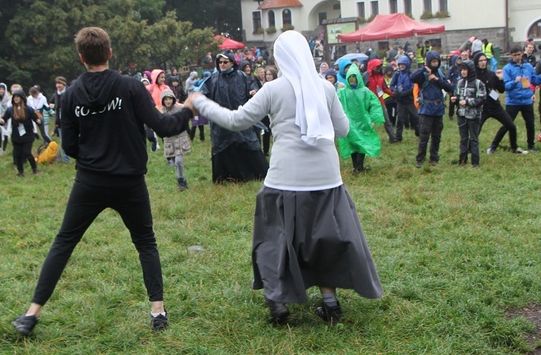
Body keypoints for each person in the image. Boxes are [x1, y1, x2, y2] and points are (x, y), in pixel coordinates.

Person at [188, 30, 382, 325]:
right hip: (326, 180)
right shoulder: (325, 88)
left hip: (284, 180)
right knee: (324, 240)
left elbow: (236, 120)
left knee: (273, 239)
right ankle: (330, 303)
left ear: (280, 58)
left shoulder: (273, 89)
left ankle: (277, 300)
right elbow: (342, 131)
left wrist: (200, 102)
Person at [12, 27, 193, 336]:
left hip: (90, 182)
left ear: (81, 57)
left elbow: (68, 146)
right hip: (129, 182)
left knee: (64, 242)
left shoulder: (69, 95)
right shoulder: (130, 87)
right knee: (146, 243)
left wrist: (94, 155)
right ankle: (157, 311)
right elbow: (163, 126)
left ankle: (31, 313)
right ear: (110, 53)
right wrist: (189, 108)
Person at [199, 50, 268, 183]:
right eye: (220, 62)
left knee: (247, 144)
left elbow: (255, 92)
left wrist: (254, 93)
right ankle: (225, 178)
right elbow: (203, 95)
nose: (222, 64)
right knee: (223, 145)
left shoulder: (243, 77)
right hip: (221, 121)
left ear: (232, 63)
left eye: (225, 62)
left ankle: (254, 174)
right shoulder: (213, 79)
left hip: (241, 117)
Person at [474, 52, 528, 155]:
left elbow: (501, 90)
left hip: (495, 106)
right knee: (476, 131)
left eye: (485, 60)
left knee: (511, 126)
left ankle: (514, 147)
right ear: (476, 62)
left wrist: (500, 79)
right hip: (481, 108)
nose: (483, 62)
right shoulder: (474, 76)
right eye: (480, 61)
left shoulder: (491, 74)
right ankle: (469, 151)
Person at [493, 46, 541, 152]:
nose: (517, 57)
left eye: (519, 54)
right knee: (507, 124)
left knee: (530, 124)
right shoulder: (507, 68)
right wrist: (515, 81)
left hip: (527, 100)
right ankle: (494, 145)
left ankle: (531, 145)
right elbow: (505, 86)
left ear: (522, 54)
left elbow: (534, 80)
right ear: (511, 55)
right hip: (513, 101)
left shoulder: (528, 66)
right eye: (515, 55)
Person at [337, 62, 384, 172]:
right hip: (349, 122)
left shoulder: (365, 92)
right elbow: (335, 105)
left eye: (354, 77)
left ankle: (359, 167)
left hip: (363, 122)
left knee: (362, 143)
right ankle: (356, 167)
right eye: (350, 77)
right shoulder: (342, 93)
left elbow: (375, 105)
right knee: (353, 144)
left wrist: (373, 119)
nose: (352, 79)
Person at [410, 51, 453, 167]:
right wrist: (424, 69)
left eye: (437, 62)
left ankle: (434, 158)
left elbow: (449, 87)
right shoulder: (422, 74)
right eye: (433, 62)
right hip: (426, 109)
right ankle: (420, 159)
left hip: (438, 109)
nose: (435, 64)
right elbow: (412, 77)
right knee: (424, 135)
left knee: (436, 136)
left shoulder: (440, 73)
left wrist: (436, 79)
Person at [0, 90, 41, 177]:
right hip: (16, 136)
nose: (16, 98)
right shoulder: (10, 109)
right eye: (15, 97)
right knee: (17, 154)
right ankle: (20, 172)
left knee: (27, 152)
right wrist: (0, 120)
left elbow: (36, 118)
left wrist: (38, 120)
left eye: (18, 97)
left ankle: (35, 168)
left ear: (22, 98)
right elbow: (4, 119)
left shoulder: (28, 109)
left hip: (28, 135)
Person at [451, 60, 486, 167]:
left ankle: (475, 162)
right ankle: (462, 160)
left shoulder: (478, 83)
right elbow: (457, 95)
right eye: (461, 70)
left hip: (474, 116)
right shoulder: (460, 83)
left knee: (474, 139)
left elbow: (482, 99)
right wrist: (455, 99)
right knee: (463, 139)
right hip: (461, 115)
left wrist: (468, 102)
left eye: (465, 69)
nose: (463, 72)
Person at [159, 89, 191, 190]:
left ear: (173, 99)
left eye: (170, 99)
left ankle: (181, 180)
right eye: (166, 99)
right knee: (174, 162)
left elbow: (188, 111)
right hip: (169, 140)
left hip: (180, 138)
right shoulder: (161, 111)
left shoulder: (179, 108)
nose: (168, 101)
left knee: (178, 161)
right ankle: (181, 179)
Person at [390, 56, 419, 142]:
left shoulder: (411, 74)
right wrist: (395, 91)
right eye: (400, 64)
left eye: (403, 64)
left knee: (416, 117)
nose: (402, 66)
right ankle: (398, 137)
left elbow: (413, 87)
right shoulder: (397, 74)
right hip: (400, 101)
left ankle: (419, 133)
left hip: (409, 100)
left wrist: (404, 93)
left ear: (407, 65)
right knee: (400, 119)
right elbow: (392, 85)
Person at [49, 76, 71, 163]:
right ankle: (66, 159)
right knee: (63, 140)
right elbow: (50, 103)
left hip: (70, 119)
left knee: (72, 139)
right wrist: (53, 106)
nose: (58, 85)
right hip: (60, 120)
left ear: (64, 84)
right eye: (57, 83)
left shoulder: (69, 91)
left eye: (60, 83)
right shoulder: (56, 94)